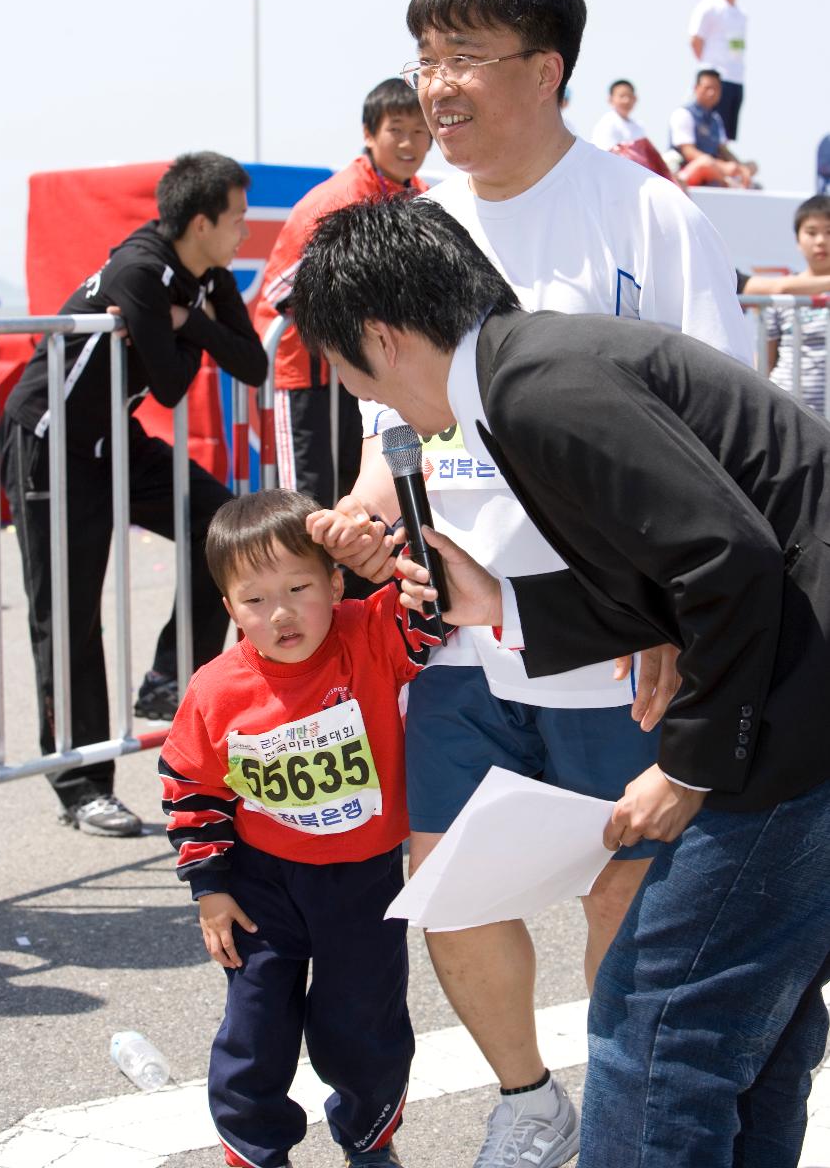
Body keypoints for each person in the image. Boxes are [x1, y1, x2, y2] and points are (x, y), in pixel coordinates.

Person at [308, 0, 752, 1168]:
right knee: (447, 881)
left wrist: (677, 616)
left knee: (632, 889)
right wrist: (358, 516)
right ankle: (528, 1102)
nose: (436, 88)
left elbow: (715, 432)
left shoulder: (646, 211)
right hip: (455, 626)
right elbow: (387, 430)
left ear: (545, 69)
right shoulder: (410, 227)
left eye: (464, 58)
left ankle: (623, 1106)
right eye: (425, 59)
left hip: (617, 632)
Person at [291, 192, 830, 1168]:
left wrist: (689, 767)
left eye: (341, 368)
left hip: (799, 697)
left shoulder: (537, 385)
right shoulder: (531, 368)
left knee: (653, 1017)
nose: (356, 396)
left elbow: (728, 562)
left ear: (379, 334)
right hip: (797, 675)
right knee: (759, 1018)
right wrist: (498, 597)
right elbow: (677, 568)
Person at [159, 489, 449, 1168]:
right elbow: (190, 787)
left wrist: (379, 549)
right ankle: (254, 1151)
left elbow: (431, 603)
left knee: (363, 1029)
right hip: (262, 888)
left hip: (365, 882)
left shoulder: (368, 634)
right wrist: (210, 887)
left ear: (335, 584)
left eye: (299, 587)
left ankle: (369, 1141)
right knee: (254, 1031)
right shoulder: (213, 689)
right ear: (229, 609)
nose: (281, 613)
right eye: (255, 600)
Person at [1, 152, 267, 836]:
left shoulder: (203, 275)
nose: (244, 234)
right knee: (67, 615)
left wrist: (192, 325)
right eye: (237, 220)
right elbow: (175, 383)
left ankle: (169, 675)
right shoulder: (139, 271)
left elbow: (252, 362)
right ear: (201, 220)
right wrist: (189, 333)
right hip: (51, 444)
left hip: (112, 438)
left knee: (223, 526)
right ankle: (81, 784)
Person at [252, 78, 431, 510]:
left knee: (366, 495)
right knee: (307, 503)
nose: (410, 142)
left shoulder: (422, 196)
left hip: (370, 375)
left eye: (420, 131)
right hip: (306, 373)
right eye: (397, 129)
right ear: (369, 134)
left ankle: (353, 581)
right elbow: (281, 289)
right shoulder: (342, 198)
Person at [751, 195, 830, 411]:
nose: (821, 241)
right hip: (789, 412)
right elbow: (766, 357)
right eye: (811, 232)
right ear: (798, 240)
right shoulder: (783, 293)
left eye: (829, 232)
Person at [667, 68, 758, 187]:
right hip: (686, 173)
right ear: (696, 88)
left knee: (752, 166)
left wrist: (739, 167)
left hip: (715, 170)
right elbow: (688, 152)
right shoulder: (683, 114)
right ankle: (730, 184)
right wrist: (721, 166)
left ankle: (733, 182)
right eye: (707, 88)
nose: (712, 93)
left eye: (716, 89)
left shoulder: (716, 119)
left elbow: (723, 150)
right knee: (706, 163)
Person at [688, 0, 747, 140]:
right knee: (707, 133)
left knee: (726, 135)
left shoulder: (741, 14)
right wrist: (709, 69)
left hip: (736, 78)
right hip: (715, 78)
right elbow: (695, 39)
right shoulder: (710, 6)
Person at [589, 79, 645, 150]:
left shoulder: (639, 126)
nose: (626, 100)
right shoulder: (607, 123)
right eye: (621, 96)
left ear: (635, 99)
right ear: (610, 99)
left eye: (629, 96)